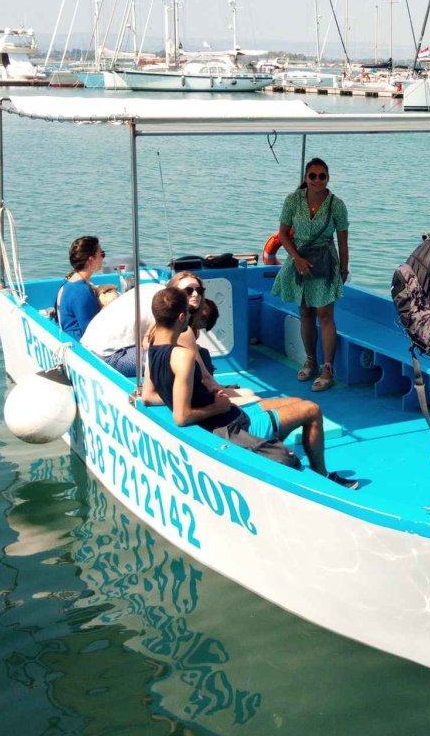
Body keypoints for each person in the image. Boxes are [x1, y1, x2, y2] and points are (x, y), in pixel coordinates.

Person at [142, 287, 354, 488]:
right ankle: (322, 476)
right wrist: (218, 407)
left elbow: (148, 397)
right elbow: (181, 417)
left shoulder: (153, 349)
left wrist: (188, 397)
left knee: (296, 402)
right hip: (230, 425)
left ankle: (272, 440)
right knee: (312, 410)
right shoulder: (182, 356)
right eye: (188, 313)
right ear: (181, 317)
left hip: (230, 414)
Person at [272, 157, 350, 392]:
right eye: (312, 176)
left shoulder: (336, 204)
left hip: (325, 262)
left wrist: (343, 269)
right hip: (299, 260)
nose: (317, 180)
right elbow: (283, 234)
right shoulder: (293, 200)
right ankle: (310, 360)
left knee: (325, 314)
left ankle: (328, 368)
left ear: (328, 179)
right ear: (306, 178)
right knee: (305, 311)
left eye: (322, 176)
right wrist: (296, 258)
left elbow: (343, 241)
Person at [83, 270, 203, 377]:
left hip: (90, 346)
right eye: (188, 291)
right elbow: (159, 349)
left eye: (199, 290)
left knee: (187, 355)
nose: (195, 294)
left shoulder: (157, 292)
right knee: (179, 361)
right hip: (105, 356)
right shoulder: (165, 308)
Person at [57, 236, 104, 341]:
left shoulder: (67, 283)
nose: (103, 258)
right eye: (102, 254)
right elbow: (94, 332)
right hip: (81, 347)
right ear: (90, 260)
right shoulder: (81, 292)